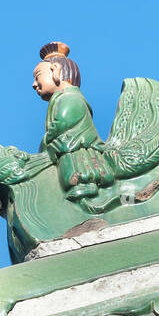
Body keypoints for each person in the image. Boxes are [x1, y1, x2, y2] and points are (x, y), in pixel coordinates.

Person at [33, 42, 113, 200]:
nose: (34, 84)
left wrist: (46, 140)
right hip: (68, 147)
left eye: (37, 77)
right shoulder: (60, 98)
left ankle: (86, 188)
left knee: (77, 169)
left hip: (77, 148)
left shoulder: (70, 97)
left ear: (55, 71)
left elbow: (63, 122)